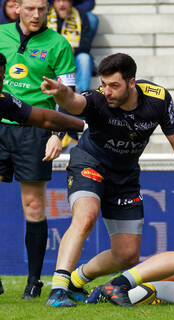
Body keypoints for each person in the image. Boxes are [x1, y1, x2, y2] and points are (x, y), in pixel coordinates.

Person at [40, 52, 174, 307]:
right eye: (103, 84)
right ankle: (58, 288)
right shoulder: (98, 99)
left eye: (114, 85)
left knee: (127, 255)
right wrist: (60, 93)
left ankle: (76, 281)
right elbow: (73, 102)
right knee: (86, 215)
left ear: (132, 83)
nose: (107, 91)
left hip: (125, 176)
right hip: (89, 163)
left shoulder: (157, 100)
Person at [0, 0, 76, 298]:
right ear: (16, 7)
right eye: (30, 8)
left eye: (42, 9)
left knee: (33, 207)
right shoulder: (1, 33)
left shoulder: (59, 44)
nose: (36, 14)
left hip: (36, 131)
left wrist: (59, 132)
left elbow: (68, 96)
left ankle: (33, 281)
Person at [47, 0, 92, 93]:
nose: (62, 4)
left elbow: (86, 43)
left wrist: (74, 50)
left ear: (71, 2)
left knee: (85, 58)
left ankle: (82, 95)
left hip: (74, 56)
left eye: (65, 0)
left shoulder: (81, 15)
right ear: (53, 3)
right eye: (58, 1)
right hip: (52, 56)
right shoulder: (45, 16)